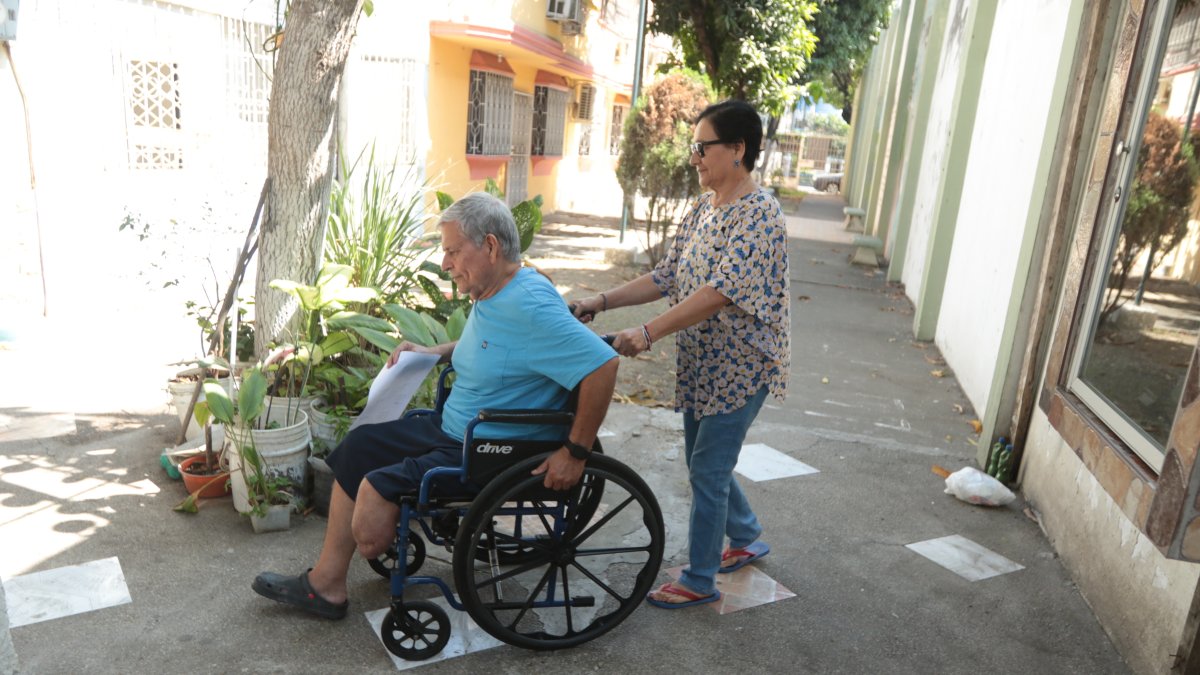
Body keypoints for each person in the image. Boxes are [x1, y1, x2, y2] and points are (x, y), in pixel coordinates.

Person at [253, 192, 619, 620]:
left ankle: (338, 570)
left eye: (452, 251)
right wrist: (432, 352)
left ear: (490, 246)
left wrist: (575, 452)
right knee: (357, 446)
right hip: (454, 429)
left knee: (372, 513)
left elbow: (603, 364)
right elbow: (490, 345)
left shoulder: (529, 304)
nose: (445, 263)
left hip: (485, 450)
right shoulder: (499, 290)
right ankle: (327, 584)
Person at [572, 100, 790, 609]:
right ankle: (745, 534)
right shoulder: (704, 206)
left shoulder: (761, 216)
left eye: (701, 147)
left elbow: (718, 292)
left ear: (737, 149)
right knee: (703, 462)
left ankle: (699, 578)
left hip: (742, 368)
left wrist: (647, 333)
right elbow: (667, 275)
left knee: (709, 470)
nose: (693, 158)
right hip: (702, 363)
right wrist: (600, 301)